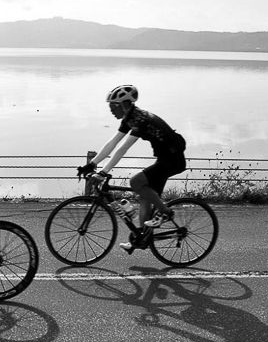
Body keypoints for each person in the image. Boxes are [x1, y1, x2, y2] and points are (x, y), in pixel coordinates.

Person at [79, 84, 187, 253]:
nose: (111, 110)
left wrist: (103, 172)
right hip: (165, 159)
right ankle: (141, 240)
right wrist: (92, 164)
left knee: (136, 182)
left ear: (123, 104)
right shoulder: (130, 118)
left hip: (172, 160)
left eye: (112, 106)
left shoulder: (140, 119)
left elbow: (123, 148)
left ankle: (165, 212)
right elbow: (112, 143)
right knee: (145, 198)